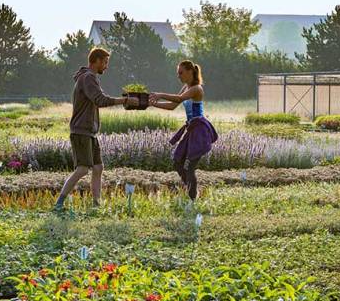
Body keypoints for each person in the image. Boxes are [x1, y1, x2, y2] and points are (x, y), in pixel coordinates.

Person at [54, 47, 139, 210]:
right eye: (105, 62)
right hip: (81, 130)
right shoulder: (88, 78)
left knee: (98, 167)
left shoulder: (89, 78)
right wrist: (125, 101)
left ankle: (96, 204)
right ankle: (59, 203)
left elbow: (98, 100)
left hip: (89, 131)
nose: (106, 66)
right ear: (97, 61)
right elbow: (100, 100)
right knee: (82, 169)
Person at [149, 60, 218, 201]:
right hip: (191, 130)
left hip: (199, 130)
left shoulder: (197, 88)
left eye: (180, 73)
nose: (178, 76)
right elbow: (172, 106)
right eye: (177, 73)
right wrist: (153, 104)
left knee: (191, 166)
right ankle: (193, 191)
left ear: (190, 71)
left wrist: (160, 94)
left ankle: (192, 199)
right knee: (177, 162)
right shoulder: (186, 87)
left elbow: (179, 98)